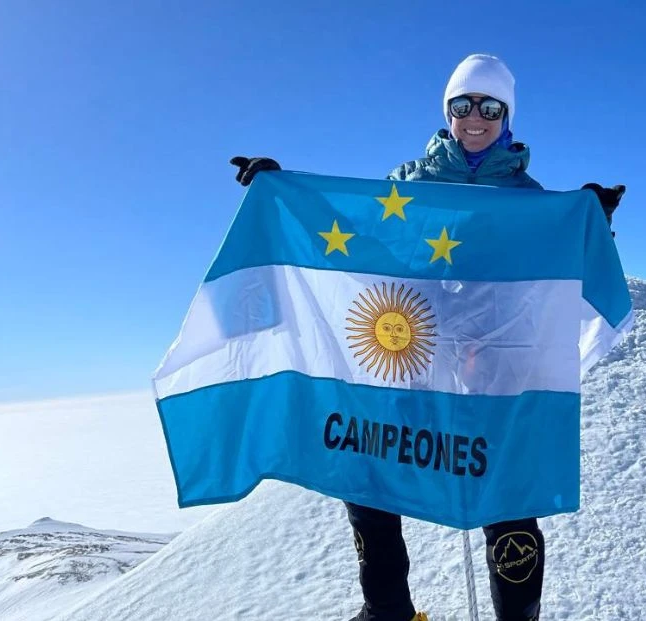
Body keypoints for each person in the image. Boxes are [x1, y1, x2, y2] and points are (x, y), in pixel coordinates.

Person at [231, 53, 624, 621]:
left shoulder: (531, 199)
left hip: (493, 369)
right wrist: (281, 190)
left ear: (507, 114)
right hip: (407, 357)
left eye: (491, 106)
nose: (475, 117)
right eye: (462, 104)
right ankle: (387, 610)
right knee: (368, 479)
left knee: (509, 497)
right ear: (447, 109)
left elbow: (561, 274)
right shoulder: (407, 185)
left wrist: (593, 222)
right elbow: (354, 237)